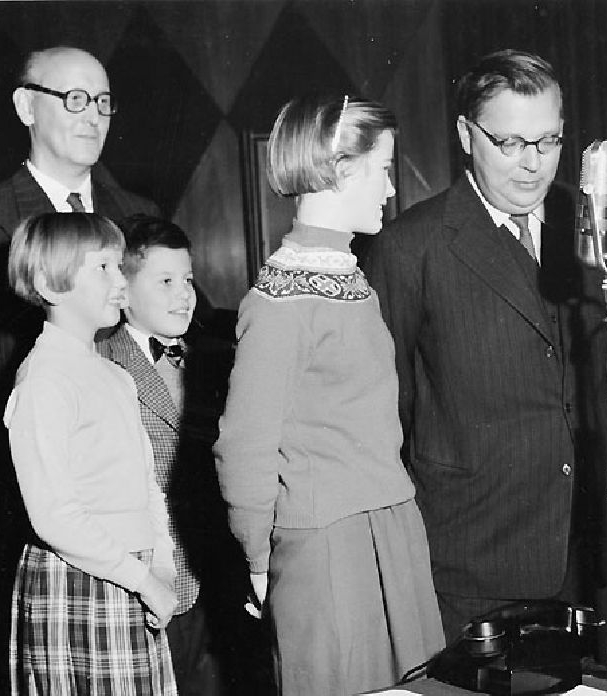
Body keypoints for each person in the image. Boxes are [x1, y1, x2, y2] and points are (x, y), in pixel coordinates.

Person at [0, 46, 159, 690]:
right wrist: (10, 459)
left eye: (103, 101)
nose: (92, 114)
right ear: (25, 106)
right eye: (73, 98)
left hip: (135, 511)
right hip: (24, 513)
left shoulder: (137, 215)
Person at [363, 49, 607, 645]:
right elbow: (385, 418)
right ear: (464, 135)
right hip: (470, 563)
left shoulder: (588, 228)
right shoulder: (409, 249)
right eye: (509, 143)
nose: (532, 164)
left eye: (548, 141)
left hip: (585, 554)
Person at [213, 94, 444, 695]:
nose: (390, 189)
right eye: (383, 169)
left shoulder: (345, 274)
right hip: (329, 544)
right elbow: (244, 447)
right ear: (340, 169)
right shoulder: (280, 300)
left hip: (390, 524)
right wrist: (258, 560)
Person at [4, 212, 177, 695]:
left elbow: (146, 486)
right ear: (49, 284)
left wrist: (161, 567)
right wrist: (143, 580)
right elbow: (54, 516)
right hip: (79, 579)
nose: (120, 281)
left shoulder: (114, 376)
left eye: (120, 267)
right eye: (103, 268)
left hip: (132, 574)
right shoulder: (44, 379)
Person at [97, 214, 221, 696]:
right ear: (124, 290)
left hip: (218, 576)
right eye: (165, 282)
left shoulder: (217, 358)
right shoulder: (103, 365)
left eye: (188, 280)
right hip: (156, 585)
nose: (184, 295)